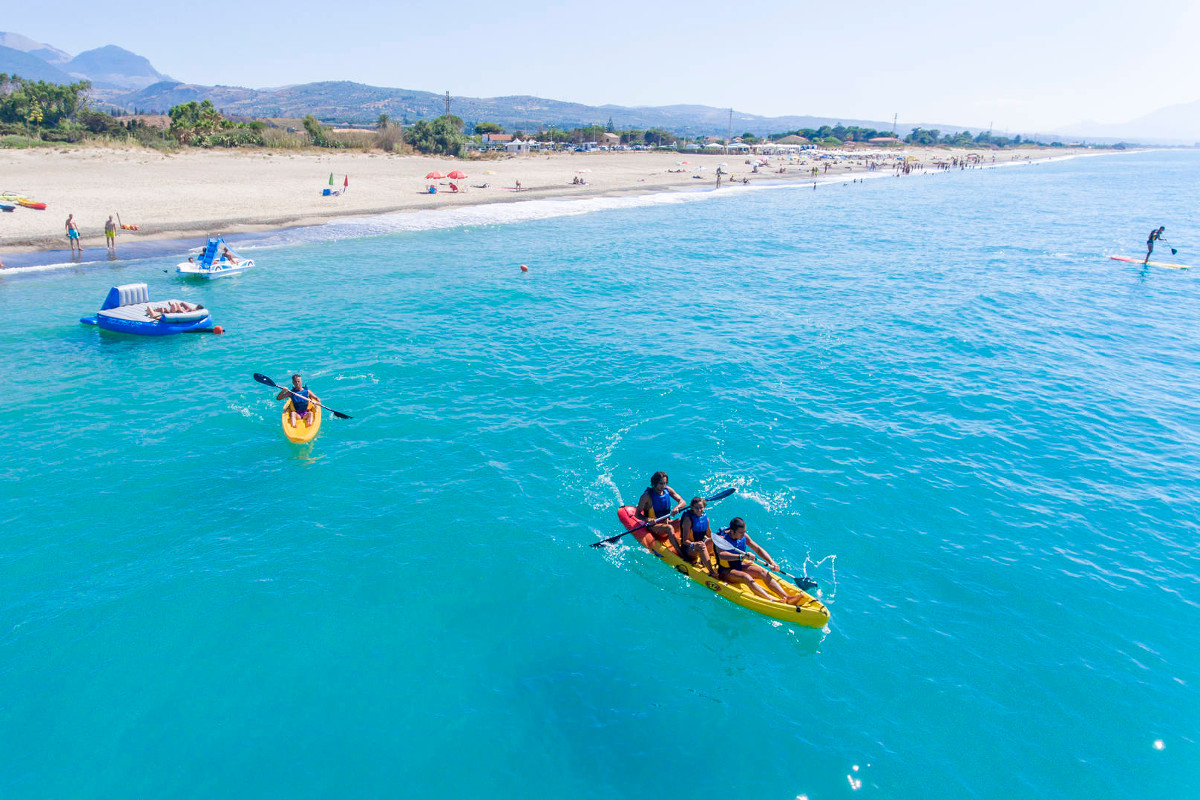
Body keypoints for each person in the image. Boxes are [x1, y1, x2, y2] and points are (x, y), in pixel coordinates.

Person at [712, 517, 805, 605]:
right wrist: (741, 556)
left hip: (739, 566)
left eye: (744, 531)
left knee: (763, 572)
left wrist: (771, 562)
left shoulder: (744, 537)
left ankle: (787, 597)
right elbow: (722, 555)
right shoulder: (722, 540)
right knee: (746, 577)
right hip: (725, 571)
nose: (743, 534)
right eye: (741, 532)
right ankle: (771, 600)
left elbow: (758, 549)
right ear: (732, 531)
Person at [635, 471, 685, 542]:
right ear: (655, 483)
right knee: (669, 528)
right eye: (661, 483)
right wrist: (647, 519)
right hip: (653, 526)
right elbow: (637, 514)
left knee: (684, 519)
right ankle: (680, 552)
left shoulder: (668, 490)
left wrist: (677, 507)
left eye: (665, 483)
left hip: (666, 522)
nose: (663, 486)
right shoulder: (646, 496)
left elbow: (683, 502)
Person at [679, 496, 716, 576]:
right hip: (688, 549)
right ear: (692, 507)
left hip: (700, 545)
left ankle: (718, 561)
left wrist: (720, 540)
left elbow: (709, 534)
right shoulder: (688, 520)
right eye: (696, 508)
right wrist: (694, 544)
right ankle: (712, 572)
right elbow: (685, 541)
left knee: (714, 539)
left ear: (704, 507)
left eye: (701, 508)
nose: (699, 510)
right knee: (701, 545)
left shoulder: (706, 518)